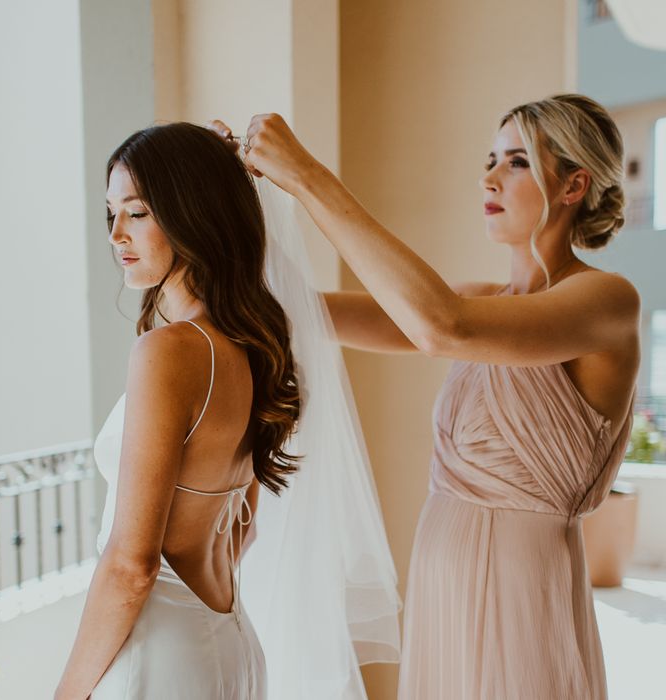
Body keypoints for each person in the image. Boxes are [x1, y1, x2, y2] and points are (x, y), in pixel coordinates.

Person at [216, 93, 641, 698]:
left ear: (574, 185)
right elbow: (295, 313)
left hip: (524, 589)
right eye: (490, 159)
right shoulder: (479, 301)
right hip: (441, 575)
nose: (488, 177)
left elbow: (440, 325)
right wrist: (220, 196)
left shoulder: (606, 302)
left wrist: (307, 178)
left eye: (516, 162)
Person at [54, 122, 401, 700]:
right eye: (110, 212)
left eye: (137, 212)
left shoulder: (169, 352)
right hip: (228, 639)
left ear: (193, 213)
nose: (116, 233)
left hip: (156, 655)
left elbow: (130, 566)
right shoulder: (256, 345)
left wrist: (66, 693)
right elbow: (241, 528)